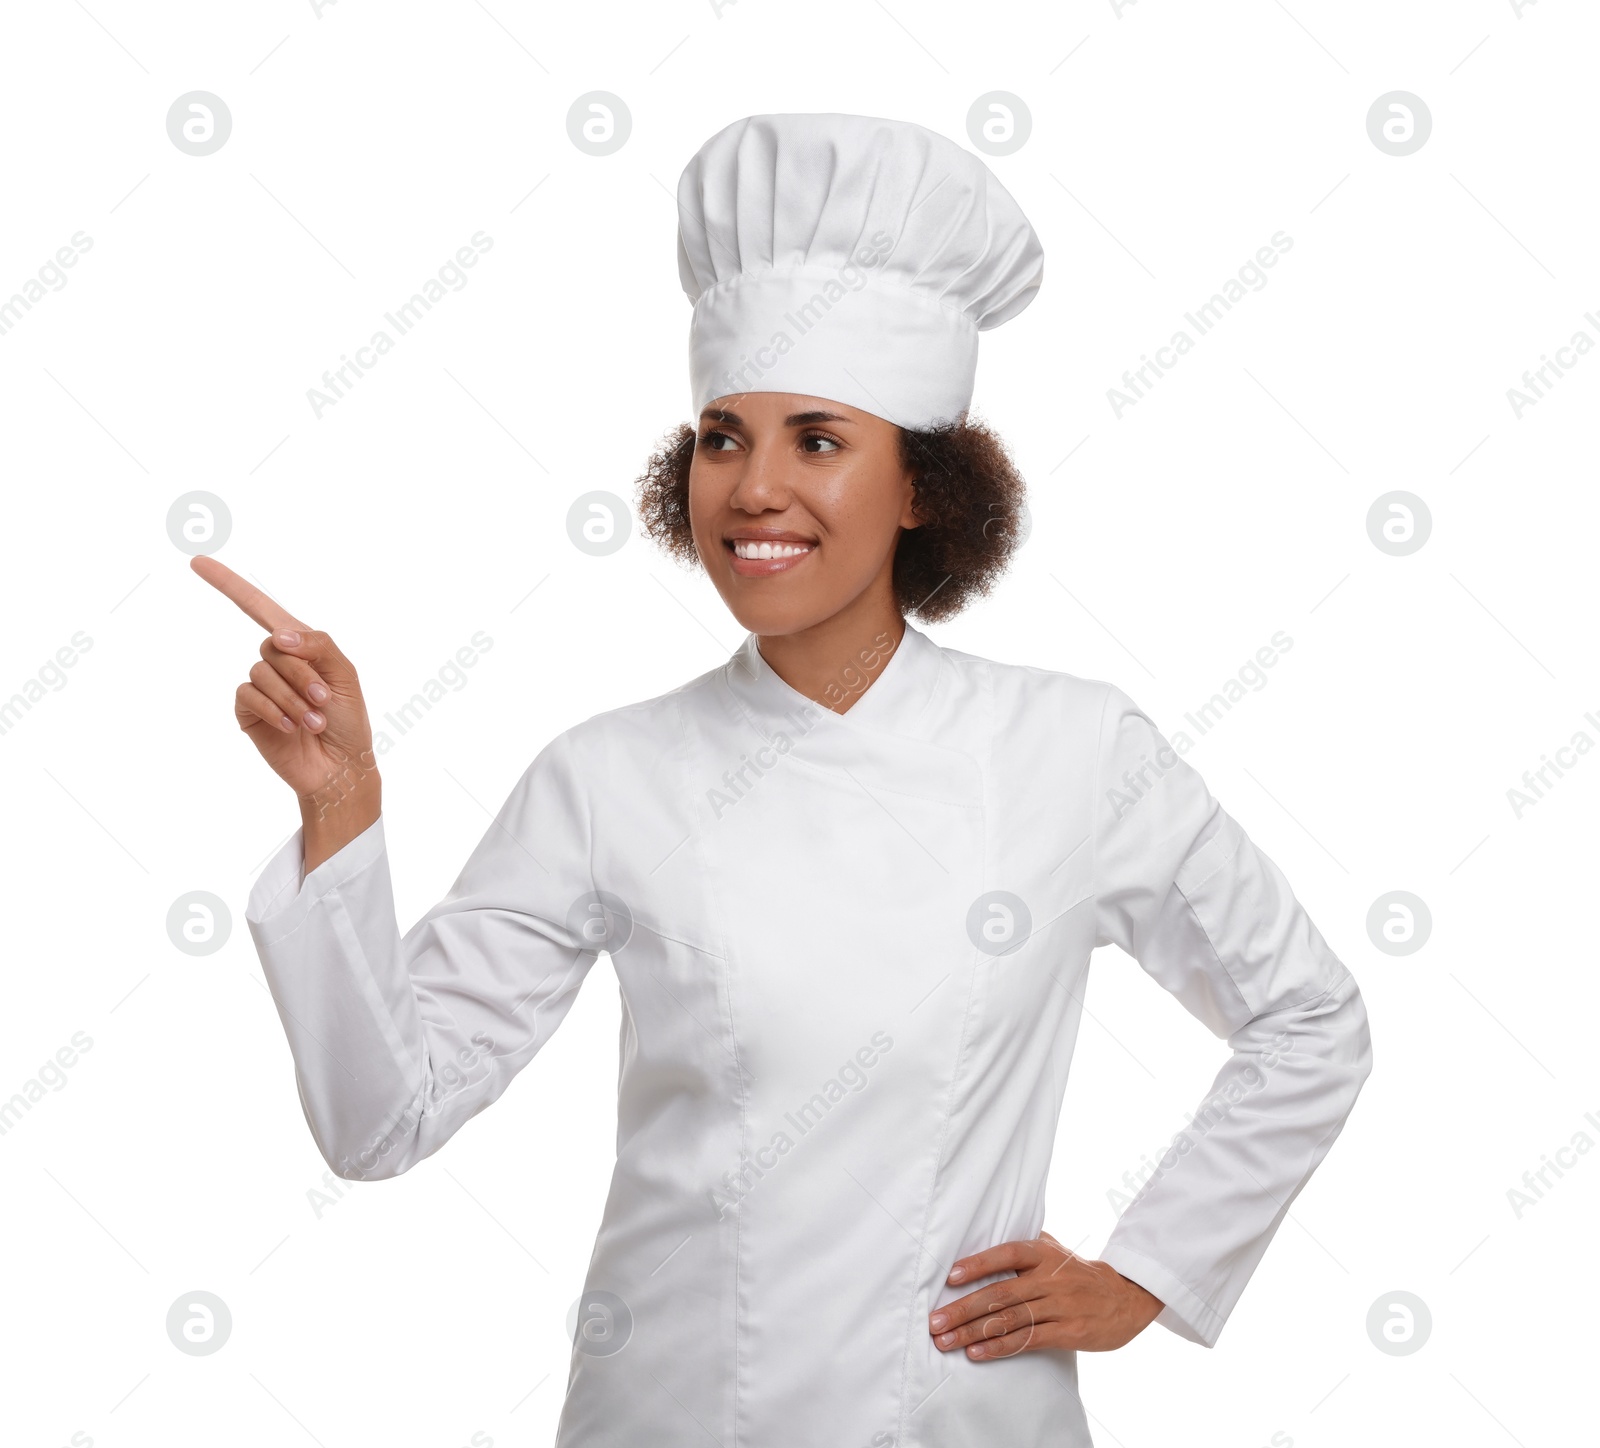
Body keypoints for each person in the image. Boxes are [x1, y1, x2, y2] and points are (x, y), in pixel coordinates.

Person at [198, 113, 1373, 1447]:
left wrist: (1147, 1275)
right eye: (720, 436)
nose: (753, 490)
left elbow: (1309, 1018)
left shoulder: (1075, 752)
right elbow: (381, 1119)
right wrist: (340, 802)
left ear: (924, 486)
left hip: (967, 1417)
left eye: (818, 440)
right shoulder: (607, 775)